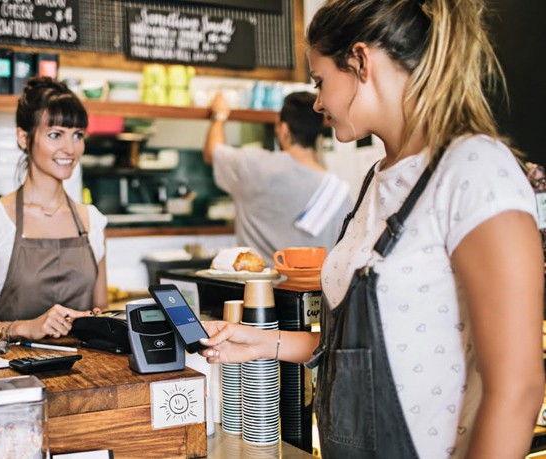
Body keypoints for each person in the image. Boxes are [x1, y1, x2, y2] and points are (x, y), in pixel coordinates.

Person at [200, 1, 545, 458]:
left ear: (361, 62)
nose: (319, 102)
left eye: (320, 82)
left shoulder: (472, 168)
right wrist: (268, 342)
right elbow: (370, 348)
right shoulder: (376, 180)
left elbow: (518, 387)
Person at [0, 77, 108, 341]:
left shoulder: (93, 221)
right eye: (55, 134)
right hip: (10, 376)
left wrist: (95, 318)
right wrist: (23, 328)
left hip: (85, 374)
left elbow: (103, 312)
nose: (70, 149)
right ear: (24, 138)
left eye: (77, 135)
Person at [203, 90, 352, 265]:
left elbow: (212, 152)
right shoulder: (339, 193)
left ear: (284, 129)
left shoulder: (255, 166)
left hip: (258, 290)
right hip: (314, 292)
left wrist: (219, 115)